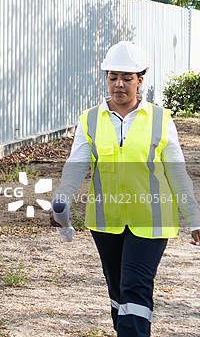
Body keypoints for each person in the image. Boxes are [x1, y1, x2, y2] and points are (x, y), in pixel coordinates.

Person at [50, 40, 200, 337]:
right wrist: (61, 200)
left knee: (135, 286)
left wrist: (194, 218)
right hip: (107, 220)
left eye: (127, 78)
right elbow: (77, 165)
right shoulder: (90, 119)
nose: (119, 84)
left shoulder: (160, 119)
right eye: (112, 77)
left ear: (140, 80)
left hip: (152, 220)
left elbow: (177, 173)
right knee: (118, 289)